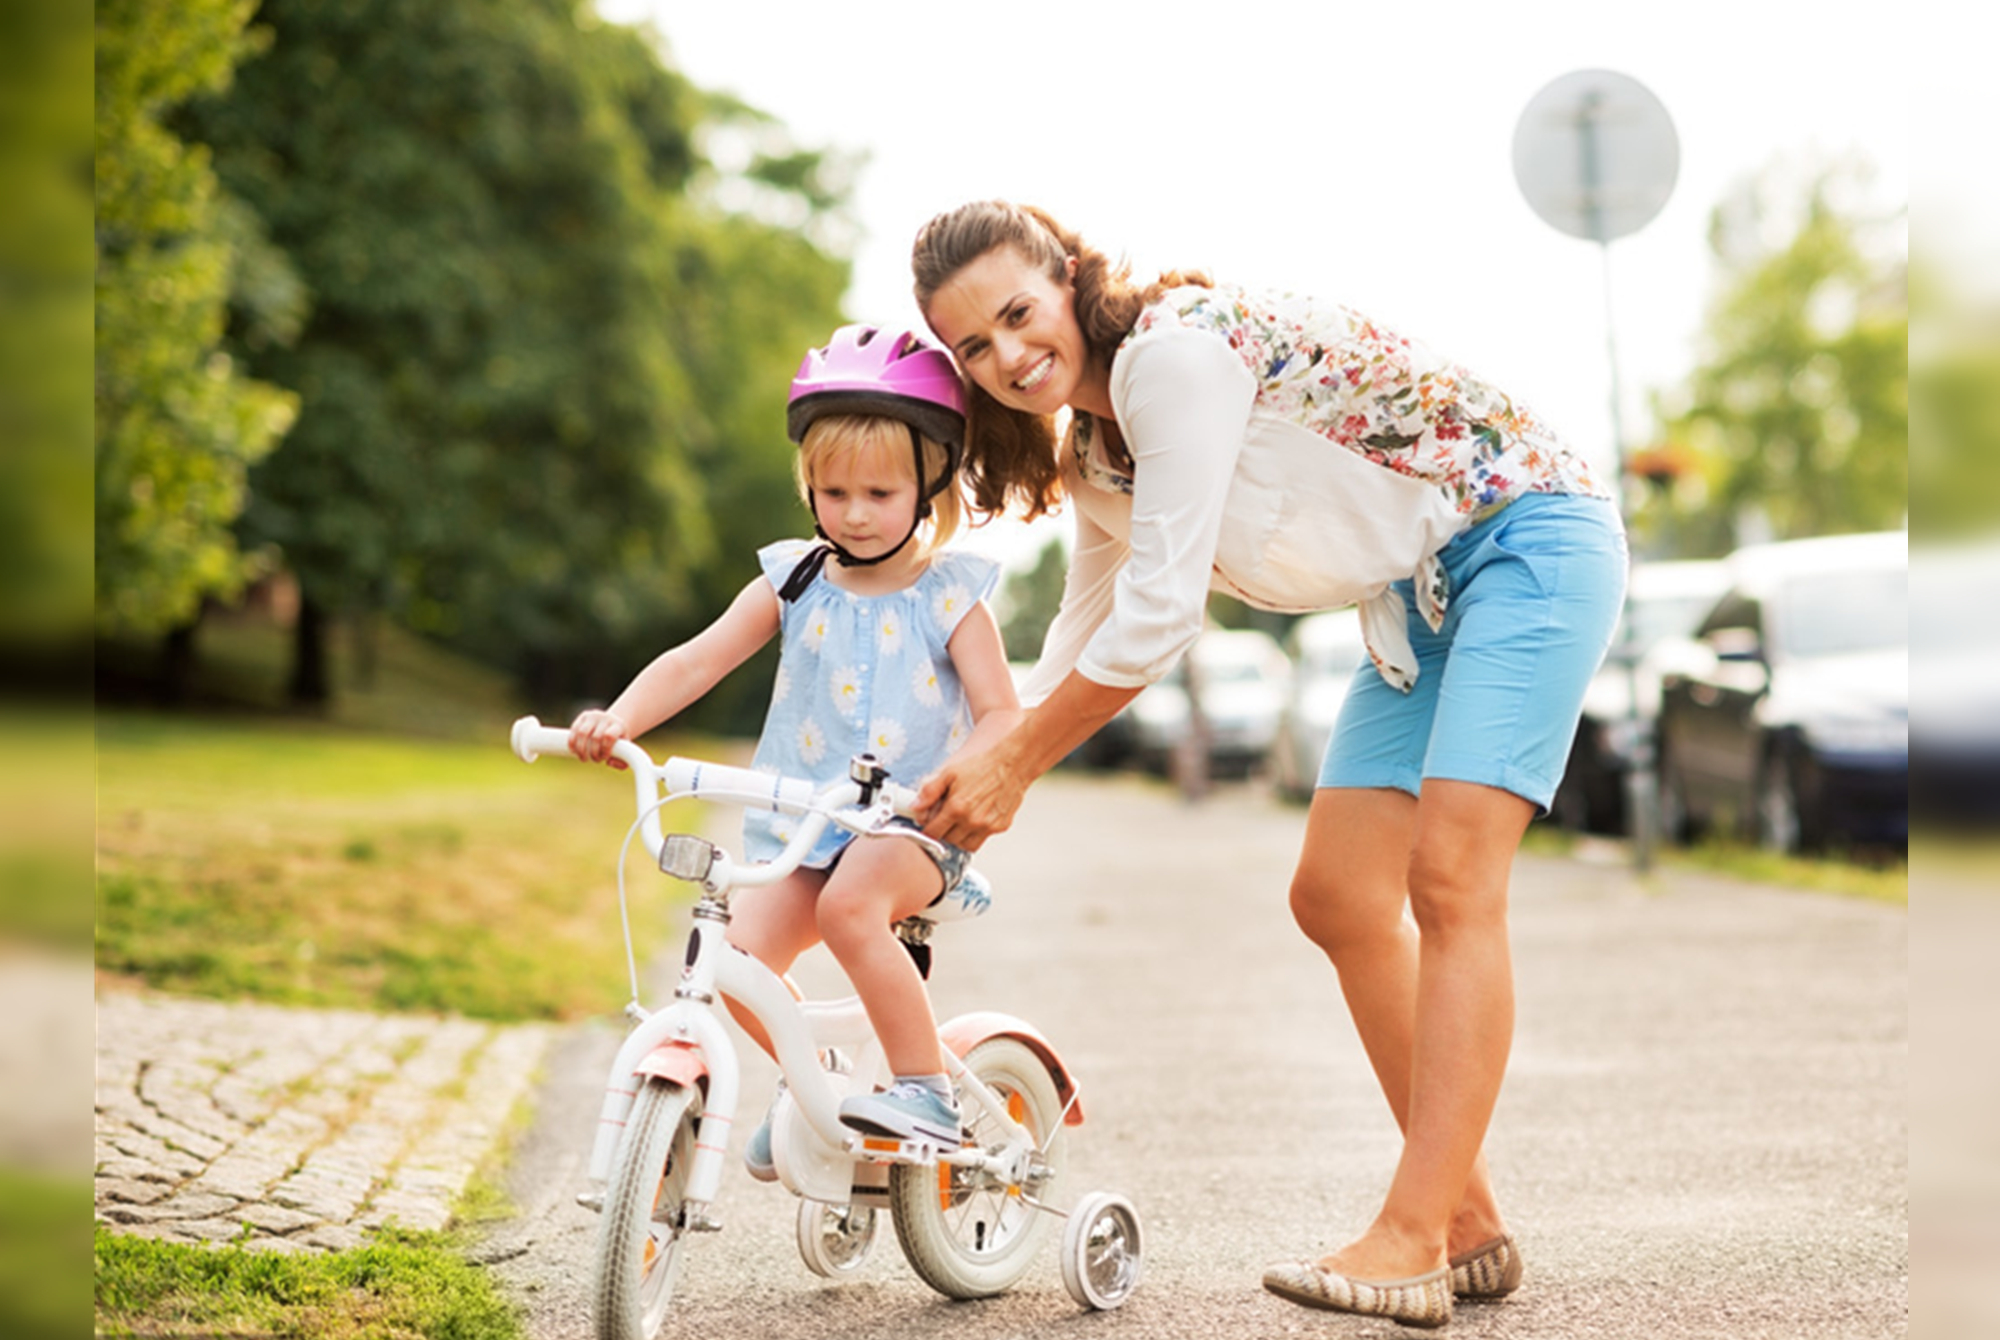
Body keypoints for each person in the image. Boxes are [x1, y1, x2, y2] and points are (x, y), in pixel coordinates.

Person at [910, 200, 1626, 1328]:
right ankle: (1468, 1221)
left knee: (1449, 878)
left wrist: (1019, 773)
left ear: (1064, 279)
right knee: (1338, 895)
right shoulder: (1099, 451)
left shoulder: (1173, 357)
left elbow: (1155, 623)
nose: (1006, 355)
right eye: (972, 347)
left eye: (1016, 313)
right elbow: (1070, 646)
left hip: (1524, 532)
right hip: (1416, 593)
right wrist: (951, 767)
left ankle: (1409, 1235)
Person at [567, 324, 1020, 1169]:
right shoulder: (795, 579)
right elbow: (696, 660)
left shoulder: (949, 595)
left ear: (930, 484)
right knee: (733, 959)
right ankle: (820, 1088)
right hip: (807, 825)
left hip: (911, 828)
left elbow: (1001, 713)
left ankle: (927, 1088)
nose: (853, 512)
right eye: (833, 489)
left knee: (853, 911)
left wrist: (963, 775)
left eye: (880, 493)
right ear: (808, 486)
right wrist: (619, 719)